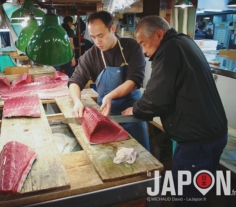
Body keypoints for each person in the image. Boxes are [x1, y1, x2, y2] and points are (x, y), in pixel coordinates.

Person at [122, 15, 228, 206]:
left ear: (158, 34)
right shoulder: (184, 42)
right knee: (201, 191)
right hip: (216, 134)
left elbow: (156, 98)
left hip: (196, 142)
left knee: (186, 196)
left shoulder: (168, 51)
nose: (144, 51)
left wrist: (136, 109)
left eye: (144, 44)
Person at [68, 11, 150, 151]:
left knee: (141, 158)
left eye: (101, 36)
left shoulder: (131, 47)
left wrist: (110, 95)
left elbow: (135, 79)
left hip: (131, 113)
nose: (97, 41)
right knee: (109, 158)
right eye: (93, 37)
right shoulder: (91, 55)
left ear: (112, 28)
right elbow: (75, 81)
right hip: (106, 115)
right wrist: (77, 101)